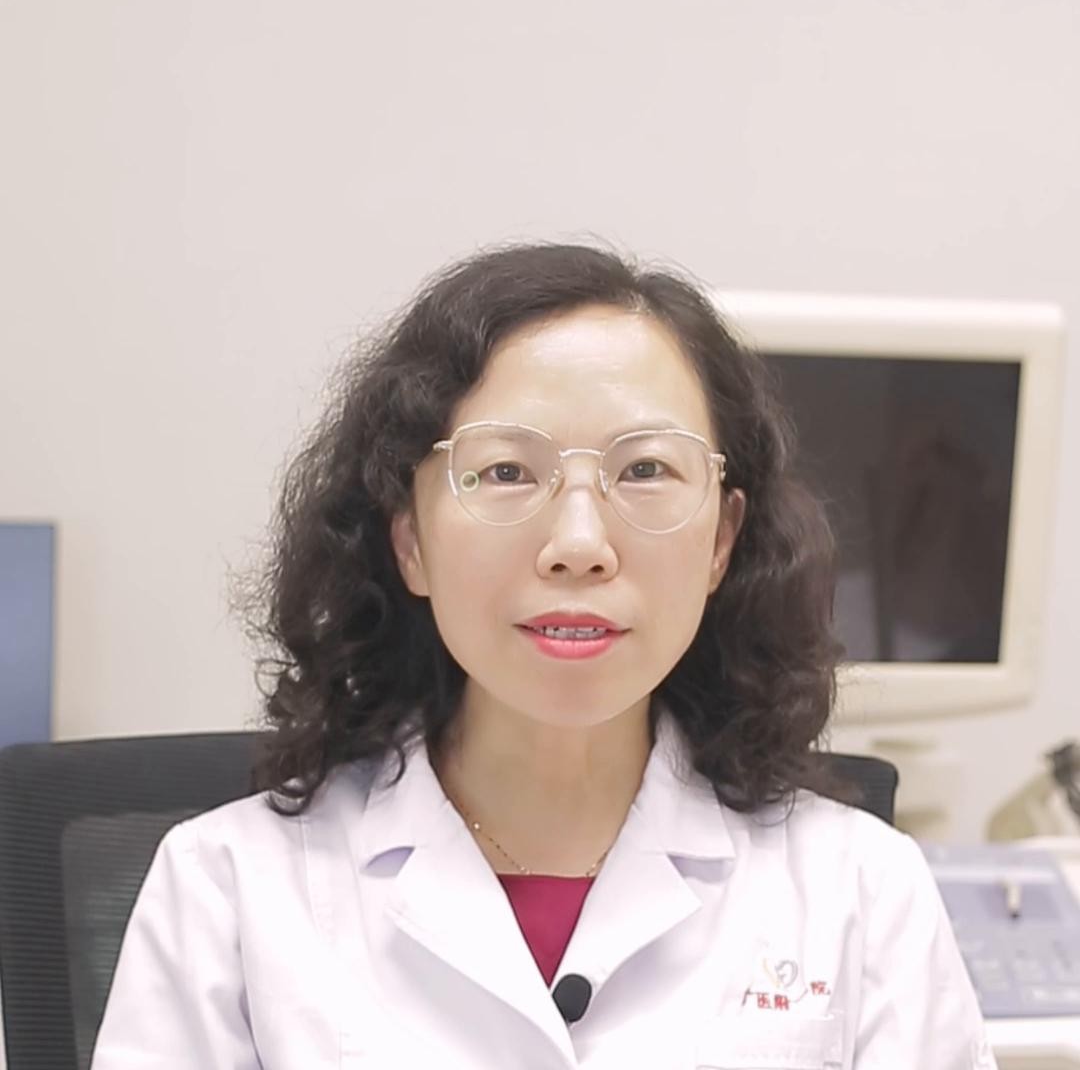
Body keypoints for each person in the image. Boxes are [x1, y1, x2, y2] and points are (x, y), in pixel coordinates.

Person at [91, 242, 996, 1069]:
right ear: (409, 540)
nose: (579, 545)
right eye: (506, 472)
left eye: (645, 470)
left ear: (722, 541)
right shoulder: (229, 889)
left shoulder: (861, 891)